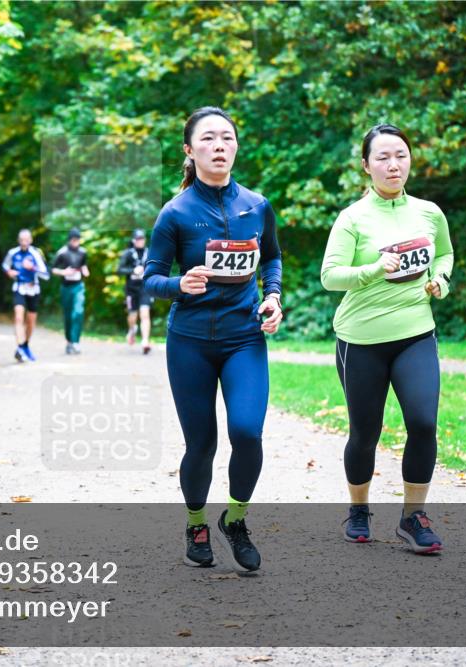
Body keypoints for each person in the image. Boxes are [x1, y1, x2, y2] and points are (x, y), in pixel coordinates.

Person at [144, 107, 283, 571]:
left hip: (244, 337)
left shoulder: (257, 205)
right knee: (200, 444)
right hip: (190, 344)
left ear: (236, 147)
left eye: (227, 138)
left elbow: (272, 260)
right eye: (208, 139)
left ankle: (236, 519)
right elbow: (149, 279)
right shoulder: (175, 213)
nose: (219, 145)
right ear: (190, 150)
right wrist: (178, 285)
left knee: (247, 432)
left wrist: (274, 297)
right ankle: (196, 522)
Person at [320, 123, 454, 554]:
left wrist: (441, 279)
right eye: (382, 157)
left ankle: (413, 517)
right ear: (366, 166)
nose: (393, 164)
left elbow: (446, 253)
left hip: (416, 333)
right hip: (360, 341)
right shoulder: (352, 218)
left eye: (400, 155)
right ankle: (358, 510)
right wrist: (376, 269)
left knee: (423, 422)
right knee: (365, 432)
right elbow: (330, 277)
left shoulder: (429, 213)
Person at [2, 229, 50, 362]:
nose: (24, 242)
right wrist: (9, 272)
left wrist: (32, 268)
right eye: (21, 240)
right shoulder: (13, 253)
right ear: (18, 241)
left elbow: (46, 275)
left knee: (31, 321)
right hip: (19, 287)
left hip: (33, 289)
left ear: (30, 240)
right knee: (18, 317)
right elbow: (5, 265)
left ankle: (25, 345)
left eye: (26, 240)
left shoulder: (36, 253)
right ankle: (20, 348)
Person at [51, 228, 89, 355]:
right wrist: (63, 272)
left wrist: (85, 270)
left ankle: (76, 342)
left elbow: (84, 265)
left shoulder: (83, 252)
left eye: (77, 239)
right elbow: (52, 269)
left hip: (78, 286)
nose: (75, 242)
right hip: (66, 287)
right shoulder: (62, 252)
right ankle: (69, 342)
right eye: (73, 239)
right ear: (69, 240)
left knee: (78, 312)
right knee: (68, 316)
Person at [118, 229, 153, 354]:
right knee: (132, 315)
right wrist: (133, 270)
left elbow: (155, 267)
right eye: (138, 239)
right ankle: (132, 329)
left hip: (145, 287)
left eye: (142, 238)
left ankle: (145, 341)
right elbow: (120, 270)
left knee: (145, 313)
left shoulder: (149, 252)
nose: (140, 241)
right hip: (131, 289)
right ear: (133, 240)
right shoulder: (128, 253)